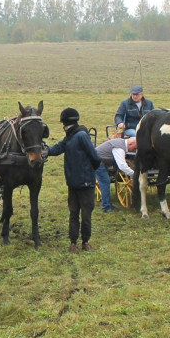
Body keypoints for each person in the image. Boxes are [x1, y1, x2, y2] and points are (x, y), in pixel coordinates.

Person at [45, 107, 102, 252]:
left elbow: (95, 157)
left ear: (65, 123)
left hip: (84, 184)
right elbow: (57, 148)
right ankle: (77, 242)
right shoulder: (71, 136)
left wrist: (88, 173)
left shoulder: (81, 136)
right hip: (75, 183)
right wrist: (45, 150)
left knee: (82, 214)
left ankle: (82, 242)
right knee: (77, 213)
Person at [94, 135, 138, 212]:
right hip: (97, 161)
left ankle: (105, 201)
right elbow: (122, 166)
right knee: (105, 181)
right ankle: (106, 207)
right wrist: (135, 174)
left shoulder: (121, 144)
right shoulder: (119, 148)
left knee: (105, 180)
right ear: (130, 144)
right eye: (134, 148)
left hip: (102, 161)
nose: (134, 150)